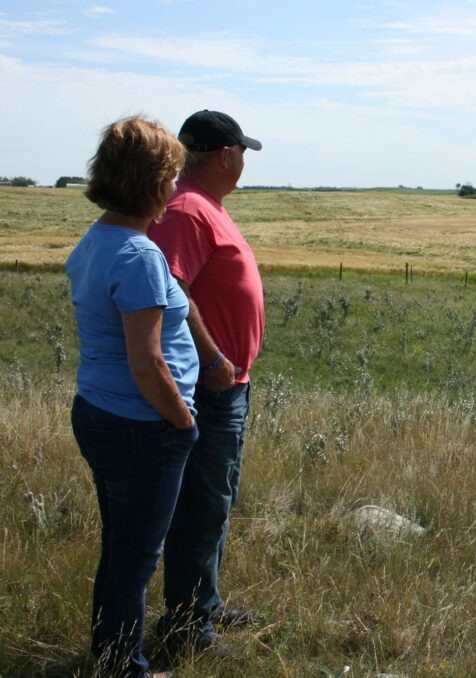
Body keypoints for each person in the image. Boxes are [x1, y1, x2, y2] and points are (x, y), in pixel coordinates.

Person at [66, 116, 198, 678]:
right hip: (141, 425)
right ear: (149, 180)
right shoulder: (139, 255)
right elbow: (147, 363)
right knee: (136, 558)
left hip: (100, 411)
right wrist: (182, 421)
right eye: (170, 176)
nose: (174, 188)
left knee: (120, 549)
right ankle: (125, 670)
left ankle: (113, 660)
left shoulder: (96, 239)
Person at [147, 110, 264, 652]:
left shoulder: (201, 205)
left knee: (216, 497)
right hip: (209, 385)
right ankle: (188, 627)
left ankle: (204, 605)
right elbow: (169, 287)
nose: (243, 162)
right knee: (201, 503)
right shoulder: (187, 210)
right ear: (225, 156)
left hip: (225, 383)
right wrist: (214, 357)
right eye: (242, 152)